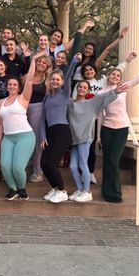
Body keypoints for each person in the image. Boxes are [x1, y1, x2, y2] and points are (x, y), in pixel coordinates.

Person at [98, 59, 139, 203]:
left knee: (114, 160)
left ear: (120, 79)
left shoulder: (124, 87)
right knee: (107, 160)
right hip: (106, 129)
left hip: (121, 129)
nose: (115, 77)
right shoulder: (102, 92)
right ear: (108, 76)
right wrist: (98, 136)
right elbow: (99, 115)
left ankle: (116, 193)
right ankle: (106, 191)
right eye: (113, 74)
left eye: (118, 75)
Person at [68, 80, 129, 202]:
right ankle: (80, 190)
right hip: (74, 139)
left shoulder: (92, 102)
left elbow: (104, 97)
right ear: (76, 88)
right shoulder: (70, 104)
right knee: (72, 166)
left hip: (85, 138)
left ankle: (87, 191)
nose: (81, 89)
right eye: (80, 86)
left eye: (85, 87)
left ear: (88, 91)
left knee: (82, 164)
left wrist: (116, 91)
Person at [0, 54, 41, 200]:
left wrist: (33, 61)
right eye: (10, 84)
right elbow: (0, 122)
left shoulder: (23, 98)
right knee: (4, 166)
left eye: (15, 84)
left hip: (25, 136)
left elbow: (29, 81)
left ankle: (22, 189)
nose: (12, 86)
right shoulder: (1, 102)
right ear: (6, 86)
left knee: (17, 167)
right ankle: (13, 189)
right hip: (8, 138)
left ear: (18, 87)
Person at [40, 53, 82, 203]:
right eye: (53, 79)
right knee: (43, 163)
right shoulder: (47, 98)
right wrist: (43, 136)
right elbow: (42, 120)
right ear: (49, 81)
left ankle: (62, 190)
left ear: (62, 81)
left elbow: (69, 75)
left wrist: (74, 62)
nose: (55, 81)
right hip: (50, 133)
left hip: (62, 132)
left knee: (51, 163)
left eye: (58, 79)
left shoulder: (64, 94)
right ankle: (55, 188)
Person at [25, 55, 52, 182]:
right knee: (25, 139)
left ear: (48, 66)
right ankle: (26, 166)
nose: (41, 64)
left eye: (44, 62)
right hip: (24, 109)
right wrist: (33, 59)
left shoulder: (46, 80)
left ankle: (38, 170)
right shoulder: (28, 76)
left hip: (38, 109)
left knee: (37, 140)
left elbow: (48, 99)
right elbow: (26, 84)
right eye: (39, 61)